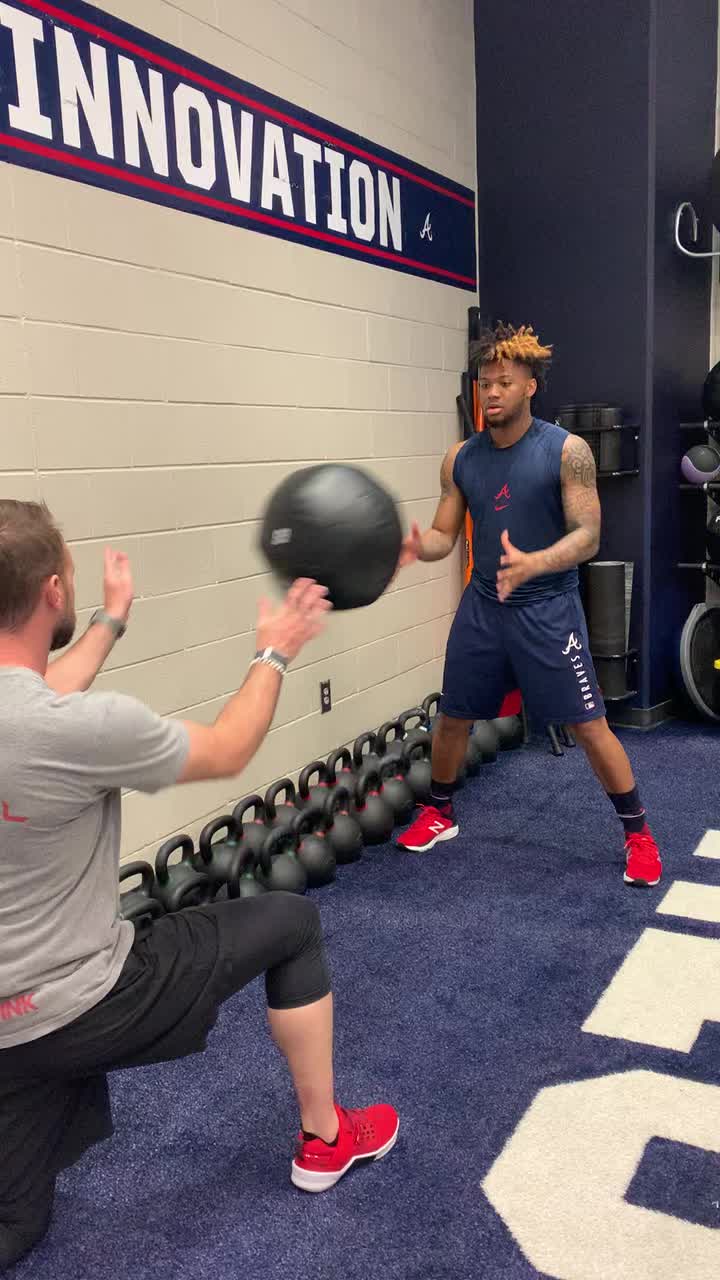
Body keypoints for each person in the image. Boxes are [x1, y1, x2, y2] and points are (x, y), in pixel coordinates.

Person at [0, 500, 398, 1272]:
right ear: (52, 590)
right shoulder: (80, 729)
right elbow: (229, 748)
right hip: (88, 1005)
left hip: (5, 1038)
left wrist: (112, 622)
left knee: (18, 1221)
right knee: (291, 924)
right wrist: (275, 651)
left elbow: (41, 697)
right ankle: (326, 1137)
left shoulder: (45, 720)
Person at [396, 322, 662, 889]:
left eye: (505, 383)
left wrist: (535, 562)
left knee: (589, 726)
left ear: (530, 386)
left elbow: (588, 535)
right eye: (485, 383)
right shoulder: (460, 458)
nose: (492, 393)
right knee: (453, 716)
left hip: (548, 608)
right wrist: (419, 547)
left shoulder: (567, 451)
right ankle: (439, 811)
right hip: (484, 606)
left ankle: (638, 834)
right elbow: (445, 534)